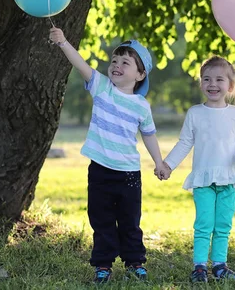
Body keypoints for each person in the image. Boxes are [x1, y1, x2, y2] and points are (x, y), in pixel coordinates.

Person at [49, 27, 166, 284]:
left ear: (140, 74)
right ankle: (103, 265)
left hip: (129, 175)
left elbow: (148, 135)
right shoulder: (102, 88)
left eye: (126, 62)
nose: (117, 65)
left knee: (130, 222)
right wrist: (64, 43)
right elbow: (81, 65)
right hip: (101, 171)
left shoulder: (141, 106)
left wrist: (159, 162)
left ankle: (135, 263)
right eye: (115, 60)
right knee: (101, 221)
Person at [155, 56, 235, 283]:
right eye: (206, 79)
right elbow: (185, 143)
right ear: (201, 84)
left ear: (230, 86)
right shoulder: (195, 113)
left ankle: (219, 265)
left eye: (219, 79)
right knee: (204, 223)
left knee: (223, 225)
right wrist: (168, 164)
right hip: (203, 180)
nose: (212, 84)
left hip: (228, 178)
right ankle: (199, 267)